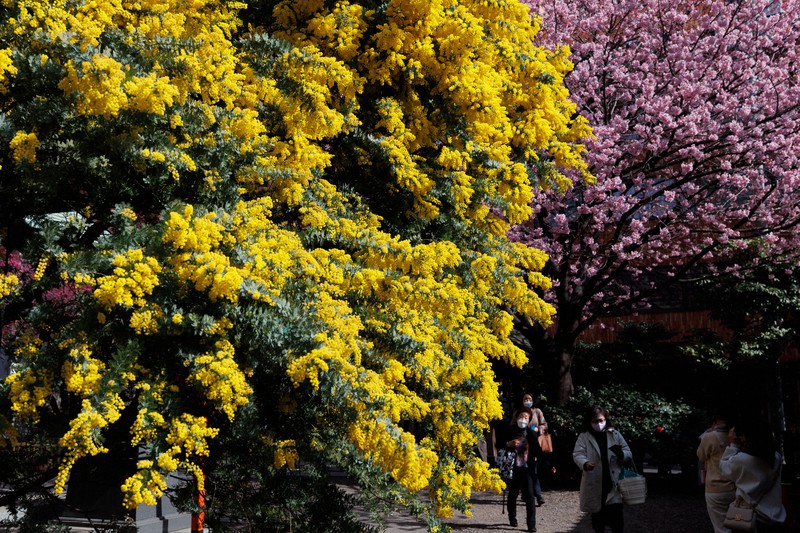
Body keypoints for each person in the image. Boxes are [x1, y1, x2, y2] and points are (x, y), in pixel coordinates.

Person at [719, 419, 786, 532]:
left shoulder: (742, 460)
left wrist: (733, 445)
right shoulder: (776, 457)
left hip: (750, 518)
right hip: (775, 516)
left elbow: (723, 467)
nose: (741, 438)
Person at [573, 405, 632, 533]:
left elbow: (628, 452)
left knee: (617, 521)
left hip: (613, 482)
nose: (598, 424)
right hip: (595, 482)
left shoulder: (614, 434)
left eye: (601, 420)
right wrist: (585, 463)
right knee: (598, 521)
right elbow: (578, 454)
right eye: (595, 421)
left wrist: (621, 454)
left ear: (605, 419)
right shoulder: (584, 437)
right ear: (589, 422)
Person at [697, 412, 736, 533]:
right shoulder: (735, 436)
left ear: (715, 421)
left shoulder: (710, 437)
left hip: (715, 487)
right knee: (738, 524)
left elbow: (701, 456)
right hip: (735, 487)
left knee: (721, 527)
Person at [504, 409, 541, 532]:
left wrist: (549, 464)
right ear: (517, 417)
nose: (523, 419)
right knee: (513, 494)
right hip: (513, 468)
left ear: (529, 420)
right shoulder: (510, 430)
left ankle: (531, 525)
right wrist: (508, 444)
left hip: (527, 469)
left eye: (526, 417)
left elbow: (538, 451)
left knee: (530, 496)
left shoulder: (531, 433)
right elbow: (499, 444)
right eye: (521, 416)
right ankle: (512, 517)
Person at [520, 392, 548, 506]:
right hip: (521, 446)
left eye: (529, 399)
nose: (527, 401)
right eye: (525, 399)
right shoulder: (519, 412)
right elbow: (513, 425)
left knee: (533, 471)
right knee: (522, 470)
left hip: (534, 445)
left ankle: (538, 495)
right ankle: (525, 493)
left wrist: (538, 429)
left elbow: (544, 424)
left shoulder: (537, 411)